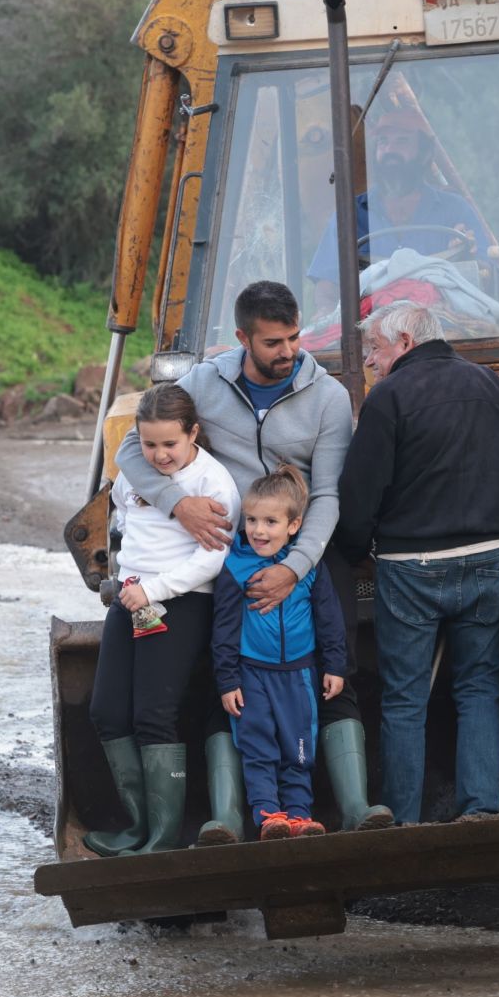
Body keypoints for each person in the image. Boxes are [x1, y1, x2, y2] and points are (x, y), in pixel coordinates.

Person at [116, 281, 390, 841]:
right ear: (242, 338)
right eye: (272, 342)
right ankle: (228, 819)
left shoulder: (328, 397)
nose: (288, 352)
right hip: (231, 552)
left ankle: (355, 810)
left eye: (293, 337)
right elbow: (130, 449)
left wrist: (297, 566)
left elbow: (330, 493)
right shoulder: (205, 382)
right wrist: (178, 503)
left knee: (338, 669)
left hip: (307, 545)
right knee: (222, 669)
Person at [336, 300, 499, 823]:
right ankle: (481, 810)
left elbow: (360, 492)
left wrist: (354, 551)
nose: (373, 361)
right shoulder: (491, 385)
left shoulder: (389, 398)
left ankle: (402, 820)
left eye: (375, 348)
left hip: (411, 564)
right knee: (480, 687)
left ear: (404, 342)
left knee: (404, 698)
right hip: (488, 556)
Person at [86, 383, 239, 855]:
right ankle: (136, 826)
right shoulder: (135, 474)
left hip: (181, 600)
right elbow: (127, 528)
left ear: (193, 432)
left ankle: (163, 838)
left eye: (170, 444)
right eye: (149, 444)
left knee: (154, 715)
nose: (159, 455)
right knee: (107, 711)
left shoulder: (214, 484)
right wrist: (129, 583)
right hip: (132, 598)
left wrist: (153, 589)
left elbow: (212, 559)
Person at [212, 464, 347, 840]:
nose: (258, 530)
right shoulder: (236, 568)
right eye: (251, 520)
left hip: (300, 673)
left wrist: (334, 665)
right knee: (258, 745)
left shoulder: (307, 567)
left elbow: (329, 618)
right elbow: (223, 628)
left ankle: (301, 816)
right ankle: (269, 815)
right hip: (252, 673)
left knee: (299, 747)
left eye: (270, 522)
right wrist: (228, 679)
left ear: (294, 525)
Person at [306, 105, 493, 317]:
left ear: (424, 153)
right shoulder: (348, 215)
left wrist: (468, 258)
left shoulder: (456, 210)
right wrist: (325, 316)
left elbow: (484, 273)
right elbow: (326, 287)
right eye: (383, 142)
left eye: (402, 140)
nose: (389, 150)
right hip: (367, 338)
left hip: (444, 331)